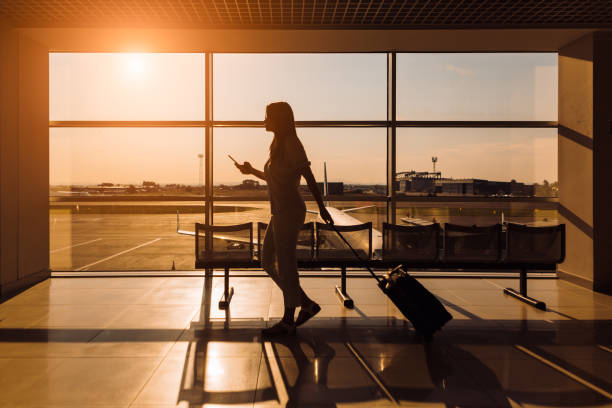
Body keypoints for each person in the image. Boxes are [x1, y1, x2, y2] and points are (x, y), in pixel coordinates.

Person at [234, 102, 333, 336]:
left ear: (279, 119)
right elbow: (273, 178)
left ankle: (289, 320)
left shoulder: (291, 144)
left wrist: (322, 208)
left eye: (268, 116)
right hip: (279, 212)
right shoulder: (276, 144)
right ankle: (306, 304)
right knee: (267, 261)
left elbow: (309, 177)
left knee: (287, 265)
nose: (264, 120)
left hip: (290, 211)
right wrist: (251, 172)